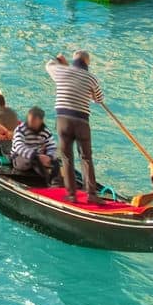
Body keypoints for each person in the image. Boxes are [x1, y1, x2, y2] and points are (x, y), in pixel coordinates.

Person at [45, 50, 103, 202]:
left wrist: (61, 62)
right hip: (82, 121)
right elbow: (98, 99)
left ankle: (71, 195)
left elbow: (49, 65)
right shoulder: (92, 78)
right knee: (86, 158)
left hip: (63, 120)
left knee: (66, 157)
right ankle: (91, 195)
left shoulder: (61, 71)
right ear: (87, 62)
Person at [8, 108, 57, 186]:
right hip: (18, 158)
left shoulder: (45, 131)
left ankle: (55, 182)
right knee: (35, 159)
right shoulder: (21, 129)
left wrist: (49, 157)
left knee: (55, 161)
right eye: (30, 121)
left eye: (34, 121)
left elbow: (52, 146)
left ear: (40, 121)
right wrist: (36, 156)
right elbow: (19, 147)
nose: (30, 124)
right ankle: (46, 181)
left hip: (37, 158)